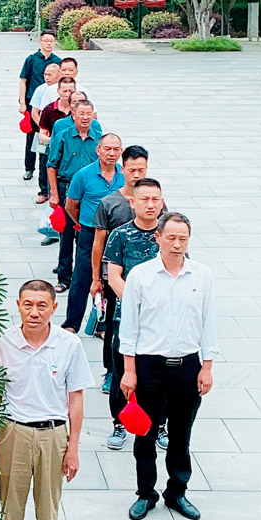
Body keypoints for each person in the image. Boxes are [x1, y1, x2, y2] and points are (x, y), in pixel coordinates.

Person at [0, 279, 92, 520]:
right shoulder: (2, 345)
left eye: (41, 306)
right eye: (28, 304)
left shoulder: (68, 344)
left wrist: (73, 447)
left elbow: (75, 398)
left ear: (53, 308)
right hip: (13, 433)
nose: (34, 312)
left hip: (53, 434)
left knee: (48, 512)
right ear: (17, 305)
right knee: (9, 510)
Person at [118, 213, 218, 520]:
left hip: (187, 365)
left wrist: (207, 367)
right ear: (158, 238)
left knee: (180, 433)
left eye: (183, 239)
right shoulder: (140, 275)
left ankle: (177, 491)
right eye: (171, 237)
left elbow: (209, 322)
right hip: (149, 366)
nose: (176, 244)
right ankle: (145, 493)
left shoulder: (202, 275)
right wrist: (129, 370)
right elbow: (129, 328)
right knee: (144, 434)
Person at [103, 177, 169, 452]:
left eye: (155, 199)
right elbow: (113, 276)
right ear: (133, 201)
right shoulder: (120, 235)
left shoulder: (168, 235)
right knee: (123, 375)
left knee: (161, 376)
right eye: (144, 199)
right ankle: (120, 423)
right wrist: (136, 302)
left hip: (161, 323)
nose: (150, 204)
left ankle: (161, 425)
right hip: (125, 319)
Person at [91, 146, 157, 402]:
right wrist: (97, 277)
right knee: (114, 328)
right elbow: (98, 243)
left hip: (150, 291)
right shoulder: (110, 203)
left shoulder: (154, 200)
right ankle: (111, 370)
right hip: (117, 276)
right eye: (132, 170)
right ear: (123, 169)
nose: (137, 174)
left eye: (142, 169)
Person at [61, 133, 123, 332]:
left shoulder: (124, 175)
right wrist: (81, 223)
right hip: (90, 233)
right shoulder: (83, 175)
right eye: (107, 149)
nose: (111, 153)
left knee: (111, 278)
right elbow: (70, 204)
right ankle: (72, 323)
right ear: (98, 150)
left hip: (117, 234)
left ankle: (103, 324)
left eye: (116, 149)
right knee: (82, 277)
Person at [46, 97, 102, 293]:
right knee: (67, 233)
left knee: (87, 235)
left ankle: (84, 276)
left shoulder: (98, 136)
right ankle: (64, 277)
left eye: (89, 114)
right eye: (81, 114)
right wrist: (53, 193)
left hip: (90, 192)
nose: (86, 118)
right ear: (73, 114)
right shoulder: (63, 135)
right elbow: (51, 166)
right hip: (67, 188)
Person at [35, 81, 80, 246]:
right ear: (58, 91)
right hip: (57, 162)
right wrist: (57, 142)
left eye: (71, 90)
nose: (68, 94)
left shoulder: (88, 120)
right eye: (65, 90)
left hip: (76, 170)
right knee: (57, 203)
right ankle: (52, 230)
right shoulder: (50, 110)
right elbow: (42, 135)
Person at [19, 31, 60, 182]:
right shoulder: (31, 60)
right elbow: (23, 80)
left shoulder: (57, 62)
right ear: (40, 42)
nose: (49, 43)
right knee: (32, 136)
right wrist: (22, 102)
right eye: (46, 41)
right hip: (34, 105)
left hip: (53, 106)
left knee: (48, 136)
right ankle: (29, 168)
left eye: (51, 41)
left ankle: (47, 168)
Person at [28, 62, 61, 204]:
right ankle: (43, 191)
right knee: (43, 160)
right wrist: (43, 127)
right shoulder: (41, 89)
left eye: (50, 75)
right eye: (45, 74)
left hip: (58, 132)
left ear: (58, 75)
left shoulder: (64, 89)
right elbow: (34, 112)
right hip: (44, 131)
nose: (46, 77)